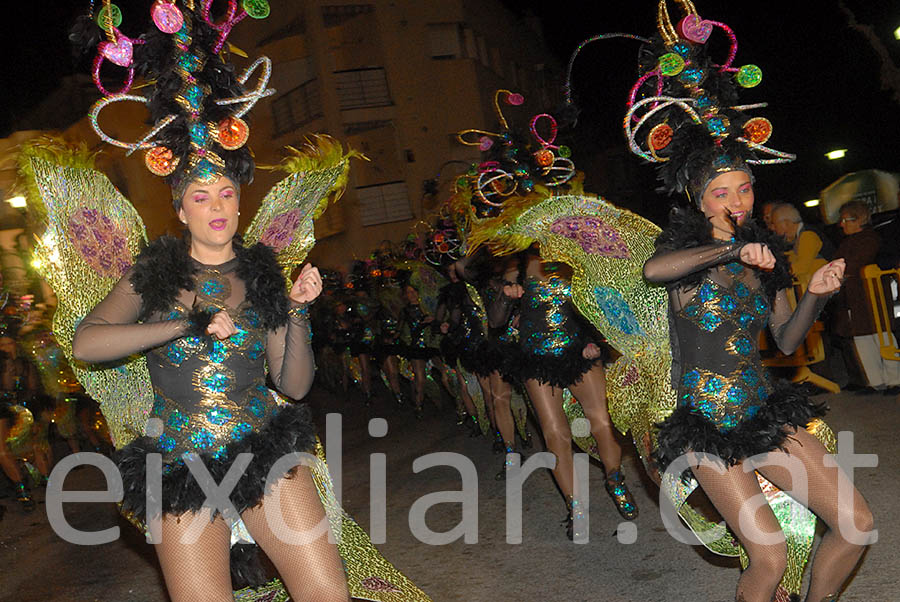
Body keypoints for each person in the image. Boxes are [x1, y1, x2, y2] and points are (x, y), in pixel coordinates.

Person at [72, 174, 349, 601]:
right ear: (181, 212)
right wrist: (186, 324)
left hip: (265, 449)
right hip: (179, 463)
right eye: (200, 198)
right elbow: (87, 343)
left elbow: (294, 385)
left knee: (326, 593)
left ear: (239, 205)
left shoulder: (264, 277)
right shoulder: (153, 275)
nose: (216, 206)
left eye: (226, 195)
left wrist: (296, 311)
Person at [833, 200, 900, 393]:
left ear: (860, 219)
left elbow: (854, 263)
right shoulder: (847, 242)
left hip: (873, 298)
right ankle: (875, 381)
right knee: (862, 341)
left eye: (846, 219)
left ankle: (895, 380)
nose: (842, 224)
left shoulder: (870, 238)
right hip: (854, 300)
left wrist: (840, 272)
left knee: (882, 337)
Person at [771, 203, 835, 286]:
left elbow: (802, 266)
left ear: (786, 223)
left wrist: (777, 274)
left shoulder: (807, 235)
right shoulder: (801, 236)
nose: (773, 228)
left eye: (775, 225)